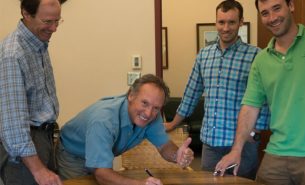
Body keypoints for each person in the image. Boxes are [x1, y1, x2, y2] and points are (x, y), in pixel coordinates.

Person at [216, 0, 305, 184]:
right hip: (276, 153)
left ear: (291, 6)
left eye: (277, 8)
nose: (272, 18)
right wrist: (236, 150)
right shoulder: (261, 60)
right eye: (265, 13)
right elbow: (250, 107)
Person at [164, 0, 270, 180]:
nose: (226, 28)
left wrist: (255, 132)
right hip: (211, 144)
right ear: (216, 22)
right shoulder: (204, 55)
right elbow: (191, 93)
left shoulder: (256, 56)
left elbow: (265, 99)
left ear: (241, 22)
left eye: (231, 22)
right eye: (221, 22)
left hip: (242, 144)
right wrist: (173, 123)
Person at [56, 74, 194, 185]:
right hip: (73, 155)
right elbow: (102, 173)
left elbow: (164, 146)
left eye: (156, 108)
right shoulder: (104, 120)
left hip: (98, 161)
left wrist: (177, 155)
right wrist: (140, 183)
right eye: (144, 103)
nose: (148, 113)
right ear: (131, 95)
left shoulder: (153, 116)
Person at [0, 0, 65, 185]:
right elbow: (12, 124)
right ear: (26, 14)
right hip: (24, 154)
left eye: (57, 21)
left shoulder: (38, 43)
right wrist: (38, 169)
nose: (54, 28)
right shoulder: (13, 54)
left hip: (43, 139)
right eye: (47, 22)